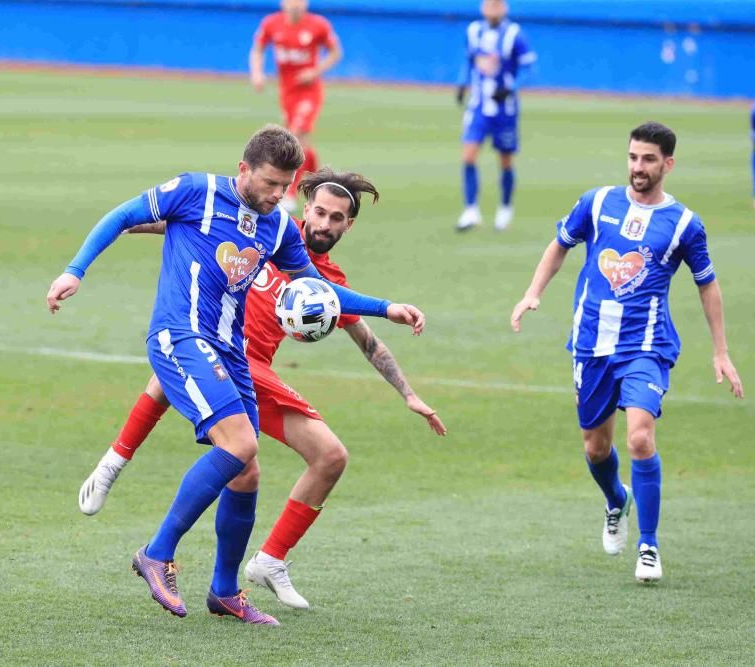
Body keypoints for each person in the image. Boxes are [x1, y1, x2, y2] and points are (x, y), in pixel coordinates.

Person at [46, 125, 426, 625]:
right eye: (269, 183)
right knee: (240, 446)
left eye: (285, 187)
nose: (276, 195)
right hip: (180, 336)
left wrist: (386, 307)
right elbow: (123, 215)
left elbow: (317, 288)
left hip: (230, 353)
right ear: (244, 169)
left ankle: (224, 591)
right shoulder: (195, 191)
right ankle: (157, 552)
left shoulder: (278, 227)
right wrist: (76, 270)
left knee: (247, 471)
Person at [510, 121, 744, 583]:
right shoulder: (597, 202)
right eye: (634, 157)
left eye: (649, 159)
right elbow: (560, 245)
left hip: (646, 346)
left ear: (668, 164)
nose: (639, 167)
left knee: (639, 437)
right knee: (596, 448)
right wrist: (533, 292)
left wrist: (721, 351)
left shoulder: (683, 224)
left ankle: (649, 546)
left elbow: (708, 286)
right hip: (591, 343)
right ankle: (617, 500)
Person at [250, 0, 342, 212]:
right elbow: (258, 50)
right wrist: (257, 72)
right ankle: (320, 179)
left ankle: (289, 192)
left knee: (296, 135)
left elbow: (336, 52)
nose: (296, 5)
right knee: (302, 143)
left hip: (309, 91)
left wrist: (315, 71)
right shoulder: (271, 23)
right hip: (287, 92)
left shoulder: (318, 25)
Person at [455, 0, 536, 232]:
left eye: (497, 5)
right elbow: (469, 61)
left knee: (505, 160)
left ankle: (505, 208)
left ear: (505, 8)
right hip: (479, 106)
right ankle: (470, 210)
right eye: (489, 4)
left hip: (505, 109)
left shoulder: (514, 34)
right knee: (469, 155)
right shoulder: (473, 31)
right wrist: (462, 84)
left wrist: (512, 88)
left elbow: (529, 69)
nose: (493, 9)